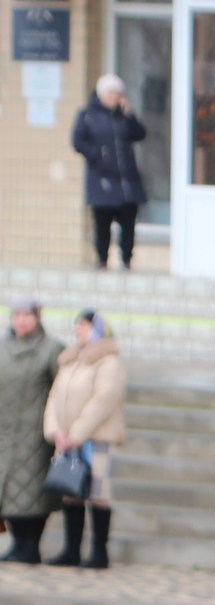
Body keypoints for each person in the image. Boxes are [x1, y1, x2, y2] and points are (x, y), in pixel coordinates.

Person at [41, 309, 126, 570]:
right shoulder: (70, 361)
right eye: (77, 325)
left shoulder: (109, 363)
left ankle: (99, 552)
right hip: (68, 441)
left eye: (85, 325)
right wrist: (56, 432)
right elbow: (54, 397)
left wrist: (77, 434)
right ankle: (71, 550)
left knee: (98, 494)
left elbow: (103, 401)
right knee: (72, 494)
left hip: (95, 440)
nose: (78, 329)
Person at [1, 297, 64, 563]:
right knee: (8, 489)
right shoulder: (3, 348)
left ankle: (30, 544)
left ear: (38, 317)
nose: (22, 320)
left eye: (27, 315)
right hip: (5, 431)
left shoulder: (51, 349)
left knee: (34, 491)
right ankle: (17, 543)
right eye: (17, 315)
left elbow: (63, 389)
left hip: (36, 433)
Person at [72, 75, 149, 271]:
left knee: (128, 223)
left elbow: (140, 134)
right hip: (102, 181)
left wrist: (129, 114)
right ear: (102, 94)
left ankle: (126, 261)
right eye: (112, 93)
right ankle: (102, 260)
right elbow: (78, 142)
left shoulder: (123, 116)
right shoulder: (88, 115)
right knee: (102, 223)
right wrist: (98, 155)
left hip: (126, 181)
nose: (116, 97)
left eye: (118, 93)